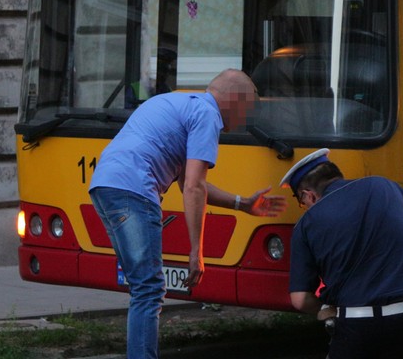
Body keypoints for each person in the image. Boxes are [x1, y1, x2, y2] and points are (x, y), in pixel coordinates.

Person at [88, 68, 288, 359]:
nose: (245, 119)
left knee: (143, 285)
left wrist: (242, 204)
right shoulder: (208, 115)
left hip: (105, 186)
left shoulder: (178, 104)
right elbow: (194, 188)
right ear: (234, 99)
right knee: (149, 288)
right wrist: (197, 250)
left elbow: (189, 182)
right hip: (134, 190)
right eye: (246, 109)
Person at [283, 148, 403, 359]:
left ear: (309, 195)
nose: (304, 206)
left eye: (301, 201)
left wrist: (327, 307)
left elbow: (300, 300)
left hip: (358, 329)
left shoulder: (306, 225)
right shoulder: (386, 186)